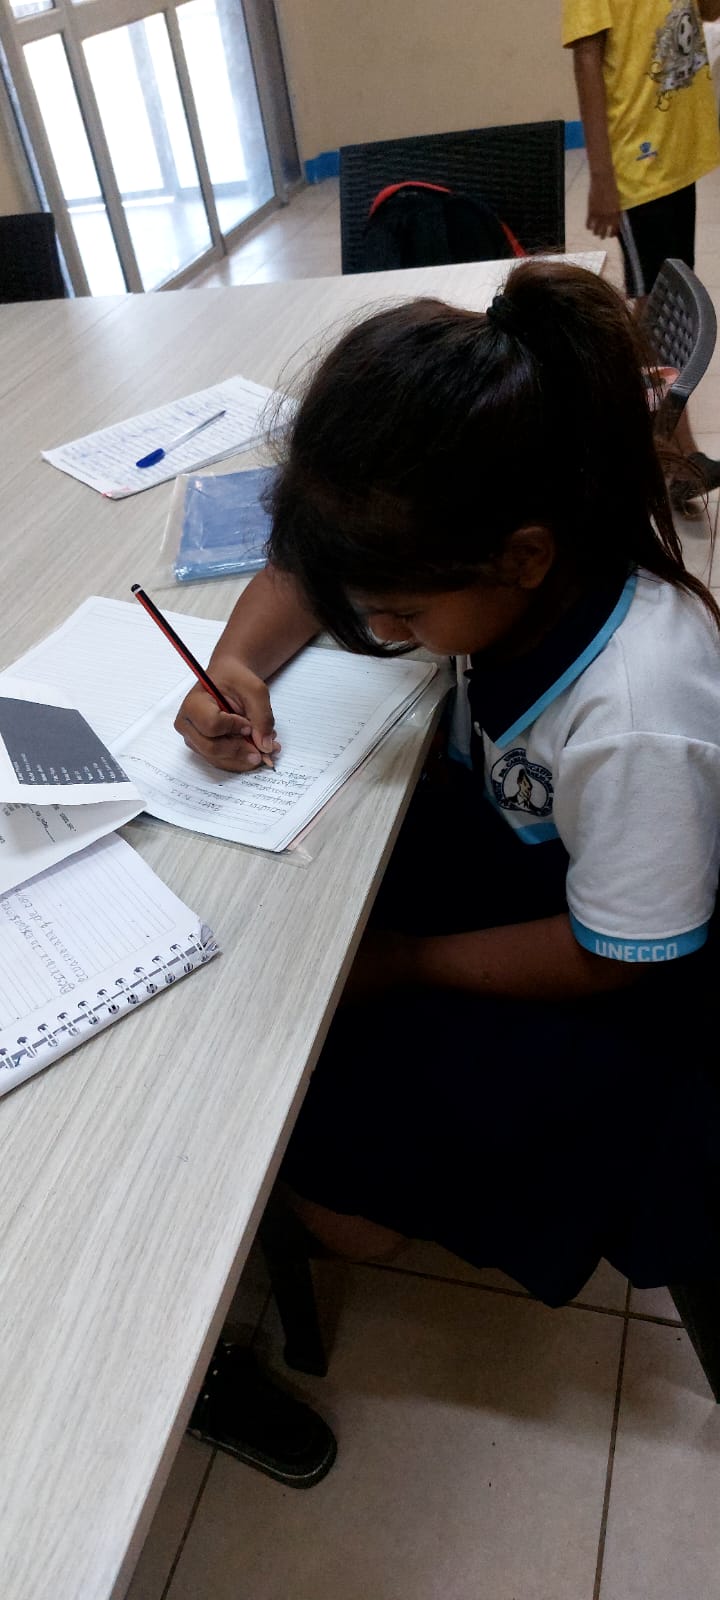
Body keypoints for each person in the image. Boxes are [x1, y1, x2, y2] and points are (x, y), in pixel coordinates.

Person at [176, 261, 720, 1312]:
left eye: (402, 617)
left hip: (624, 984)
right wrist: (232, 663)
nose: (378, 629)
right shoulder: (508, 543)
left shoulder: (637, 710)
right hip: (524, 852)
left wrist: (410, 963)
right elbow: (313, 575)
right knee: (283, 933)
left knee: (310, 1100)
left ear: (521, 558)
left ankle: (371, 1209)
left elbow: (614, 955)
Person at [563, 0, 720, 507]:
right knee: (657, 303)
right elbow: (586, 59)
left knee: (665, 296)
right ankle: (672, 452)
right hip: (638, 160)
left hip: (678, 152)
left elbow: (711, 13)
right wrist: (602, 177)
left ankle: (638, 428)